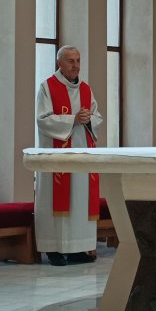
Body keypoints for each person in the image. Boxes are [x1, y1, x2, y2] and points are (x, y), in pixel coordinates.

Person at [35, 45, 103, 267]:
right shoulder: (47, 87)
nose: (76, 65)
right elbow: (43, 120)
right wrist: (72, 119)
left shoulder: (85, 89)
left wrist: (88, 118)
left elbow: (97, 116)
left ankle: (77, 248)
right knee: (55, 202)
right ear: (59, 63)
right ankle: (53, 249)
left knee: (79, 202)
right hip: (57, 158)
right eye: (70, 61)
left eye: (78, 60)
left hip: (81, 155)